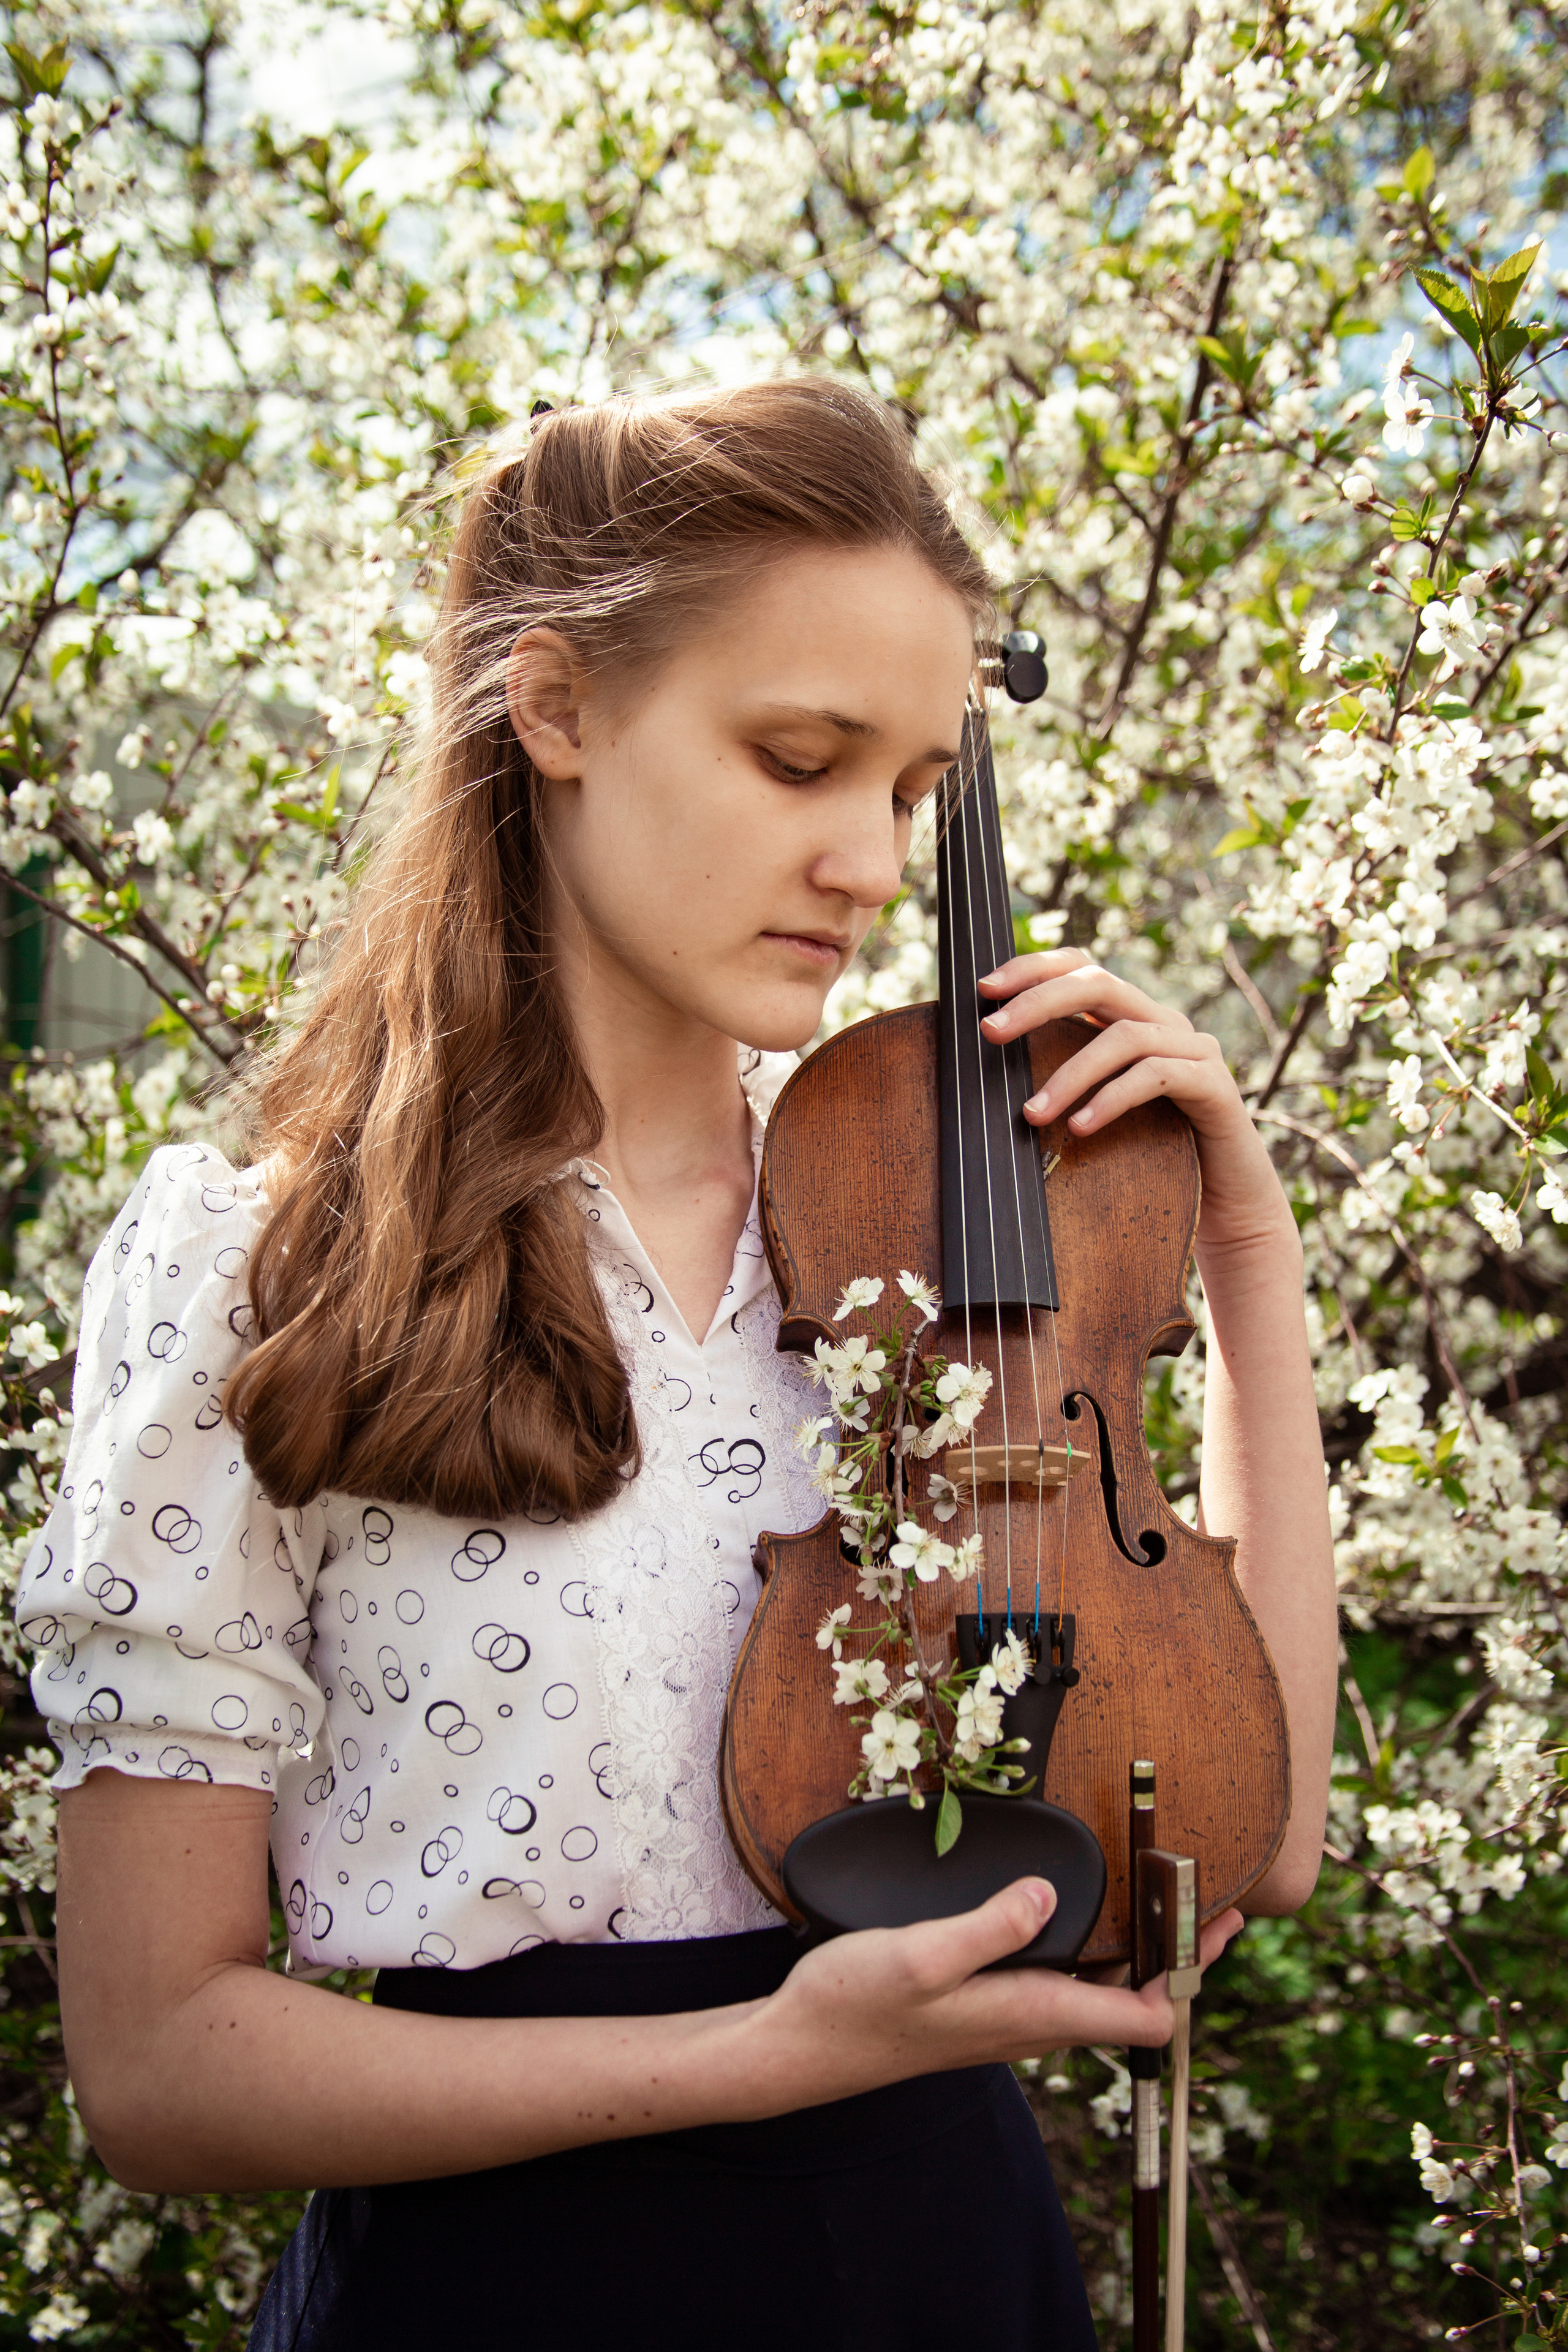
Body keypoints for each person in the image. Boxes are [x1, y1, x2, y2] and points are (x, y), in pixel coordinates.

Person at [26, 380, 1336, 2351]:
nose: (878, 869)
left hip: (948, 2270)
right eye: (799, 759)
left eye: (906, 790)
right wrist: (765, 2056)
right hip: (507, 2292)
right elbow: (157, 2068)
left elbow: (1269, 1836)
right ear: (551, 709)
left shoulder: (925, 1242)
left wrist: (1243, 1264)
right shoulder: (257, 1262)